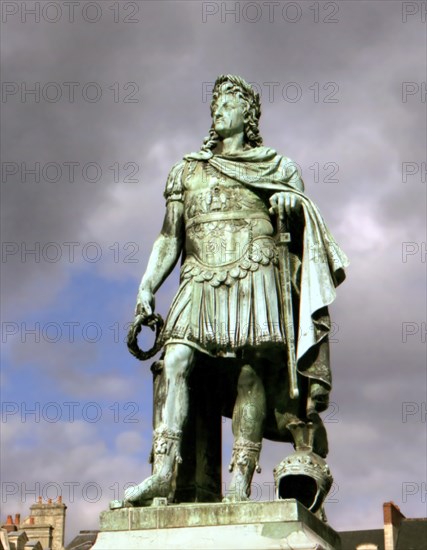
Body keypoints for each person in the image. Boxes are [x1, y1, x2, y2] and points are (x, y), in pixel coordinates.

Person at [125, 74, 348, 506]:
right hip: (199, 275)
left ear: (248, 113)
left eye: (228, 103)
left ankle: (239, 486)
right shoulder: (186, 170)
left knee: (251, 372)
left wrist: (289, 204)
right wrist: (147, 287)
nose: (218, 110)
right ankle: (164, 472)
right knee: (176, 358)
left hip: (255, 269)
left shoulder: (277, 166)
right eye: (215, 105)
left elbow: (303, 222)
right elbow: (170, 237)